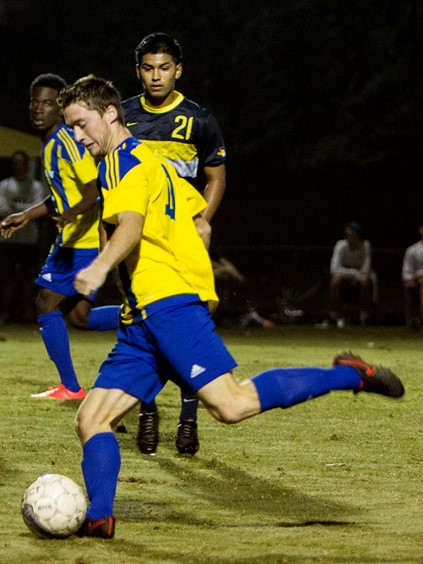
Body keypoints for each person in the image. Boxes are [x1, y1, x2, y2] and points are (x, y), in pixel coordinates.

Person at [59, 74, 404, 540]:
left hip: (169, 304)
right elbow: (198, 222)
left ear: (110, 113)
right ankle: (100, 517)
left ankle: (350, 374)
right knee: (92, 418)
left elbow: (133, 225)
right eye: (72, 129)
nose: (78, 137)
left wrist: (100, 268)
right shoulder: (149, 161)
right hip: (144, 314)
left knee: (232, 405)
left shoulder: (124, 160)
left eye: (81, 125)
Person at [121, 32, 228, 455]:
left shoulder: (199, 119)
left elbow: (216, 178)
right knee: (140, 325)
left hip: (181, 238)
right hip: (138, 240)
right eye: (148, 68)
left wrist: (202, 219)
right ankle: (147, 412)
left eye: (164, 68)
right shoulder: (123, 117)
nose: (156, 76)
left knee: (185, 327)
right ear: (138, 71)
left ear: (178, 70)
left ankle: (188, 419)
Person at [0, 73, 118, 400]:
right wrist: (26, 215)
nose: (38, 108)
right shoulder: (50, 144)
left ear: (60, 107)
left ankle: (71, 387)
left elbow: (95, 189)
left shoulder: (67, 141)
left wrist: (73, 214)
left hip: (83, 241)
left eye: (47, 103)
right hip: (72, 239)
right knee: (81, 317)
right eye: (35, 102)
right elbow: (60, 195)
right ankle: (141, 314)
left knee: (45, 302)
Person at [0, 149, 49, 324]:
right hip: (8, 238)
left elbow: (41, 208)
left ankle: (27, 312)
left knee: (28, 278)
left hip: (29, 239)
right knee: (7, 278)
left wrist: (16, 207)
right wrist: (28, 210)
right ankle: (4, 312)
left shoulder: (37, 186)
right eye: (15, 162)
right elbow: (1, 209)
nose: (19, 166)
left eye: (22, 162)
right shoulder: (5, 185)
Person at [327, 221, 375, 328]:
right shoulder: (340, 245)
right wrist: (353, 273)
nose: (349, 237)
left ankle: (364, 315)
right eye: (347, 235)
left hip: (359, 278)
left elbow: (365, 269)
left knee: (365, 281)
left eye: (352, 235)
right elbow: (334, 268)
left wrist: (356, 274)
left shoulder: (366, 245)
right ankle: (335, 315)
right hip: (345, 277)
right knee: (335, 280)